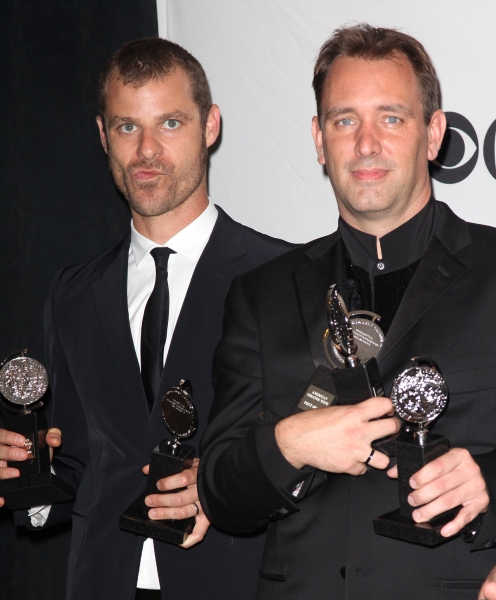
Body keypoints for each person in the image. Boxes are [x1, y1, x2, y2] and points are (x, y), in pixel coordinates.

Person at [199, 23, 496, 599]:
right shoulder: (261, 294)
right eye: (344, 121)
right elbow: (220, 493)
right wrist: (289, 446)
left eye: (391, 118)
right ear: (318, 139)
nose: (366, 144)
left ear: (433, 134)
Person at [0, 38, 292, 600]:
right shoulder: (73, 292)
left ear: (210, 126)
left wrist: (230, 480)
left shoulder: (282, 274)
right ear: (104, 136)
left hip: (237, 583)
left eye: (171, 123)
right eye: (128, 127)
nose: (147, 151)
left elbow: (307, 456)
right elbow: (79, 461)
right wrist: (22, 479)